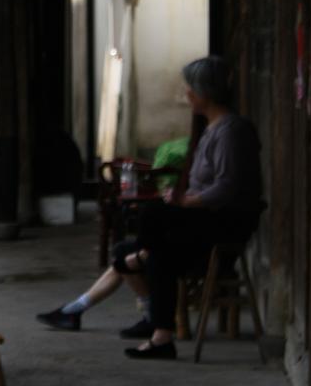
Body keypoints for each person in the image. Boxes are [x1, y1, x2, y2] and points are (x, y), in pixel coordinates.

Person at [36, 56, 263, 359]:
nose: (186, 94)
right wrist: (179, 197)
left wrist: (185, 201)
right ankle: (156, 330)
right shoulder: (212, 129)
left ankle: (146, 306)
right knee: (134, 250)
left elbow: (227, 187)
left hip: (222, 226)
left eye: (190, 89)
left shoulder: (231, 131)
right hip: (204, 220)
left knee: (153, 221)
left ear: (204, 92)